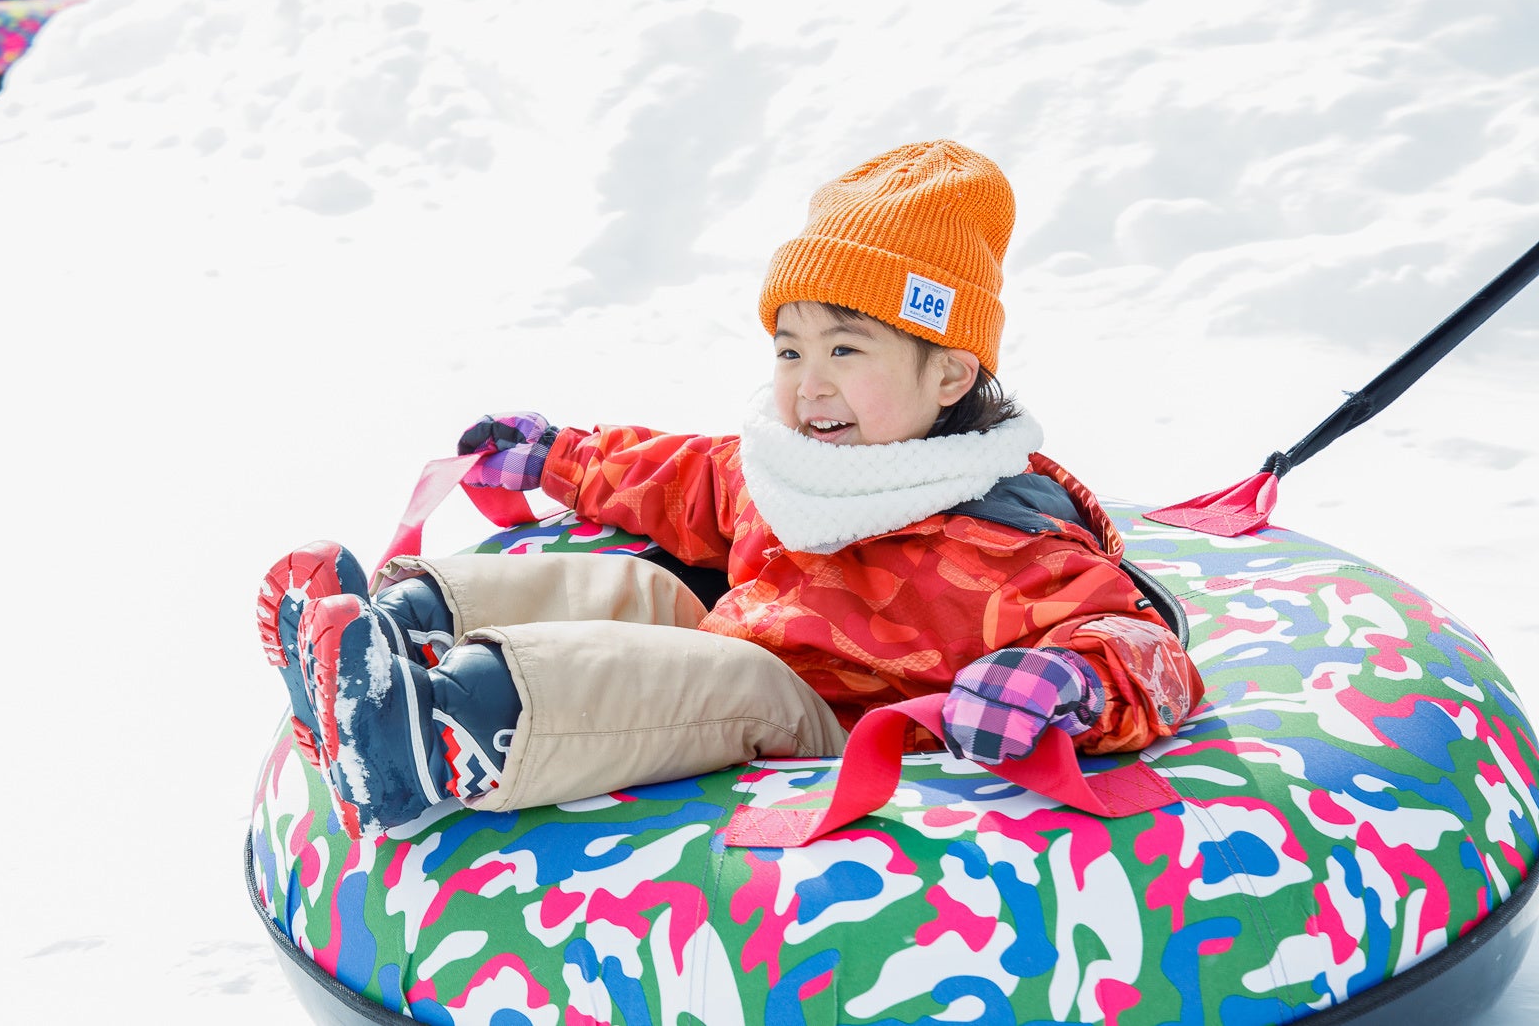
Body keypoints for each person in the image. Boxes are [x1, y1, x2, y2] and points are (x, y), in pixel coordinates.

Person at [257, 141, 1205, 838]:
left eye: (846, 350)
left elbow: (1141, 643)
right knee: (641, 590)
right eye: (790, 351)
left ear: (951, 372)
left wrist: (1070, 681)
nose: (809, 385)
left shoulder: (1005, 537)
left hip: (831, 724)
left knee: (733, 677)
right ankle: (399, 629)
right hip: (745, 639)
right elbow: (676, 478)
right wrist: (555, 456)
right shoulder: (792, 467)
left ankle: (438, 732)